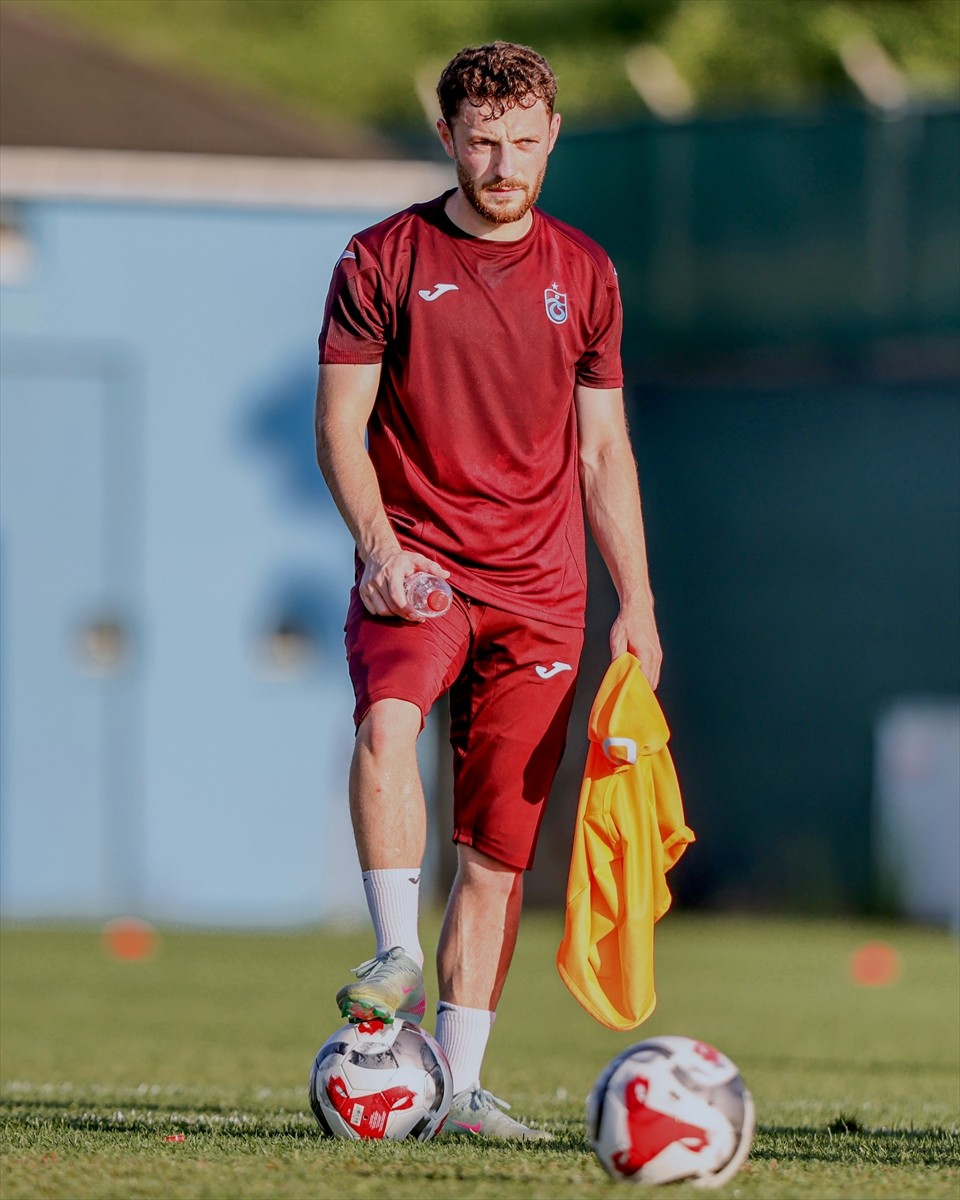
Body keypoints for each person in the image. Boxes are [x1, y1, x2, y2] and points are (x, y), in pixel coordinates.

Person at [315, 40, 661, 1140]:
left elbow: (604, 452)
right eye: (482, 143)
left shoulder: (588, 274)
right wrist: (378, 545)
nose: (504, 164)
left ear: (553, 137)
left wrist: (638, 603)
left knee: (497, 853)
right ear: (447, 138)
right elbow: (339, 425)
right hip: (419, 564)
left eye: (522, 143)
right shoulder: (381, 258)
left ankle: (459, 1090)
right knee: (386, 721)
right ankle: (396, 953)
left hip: (545, 591)